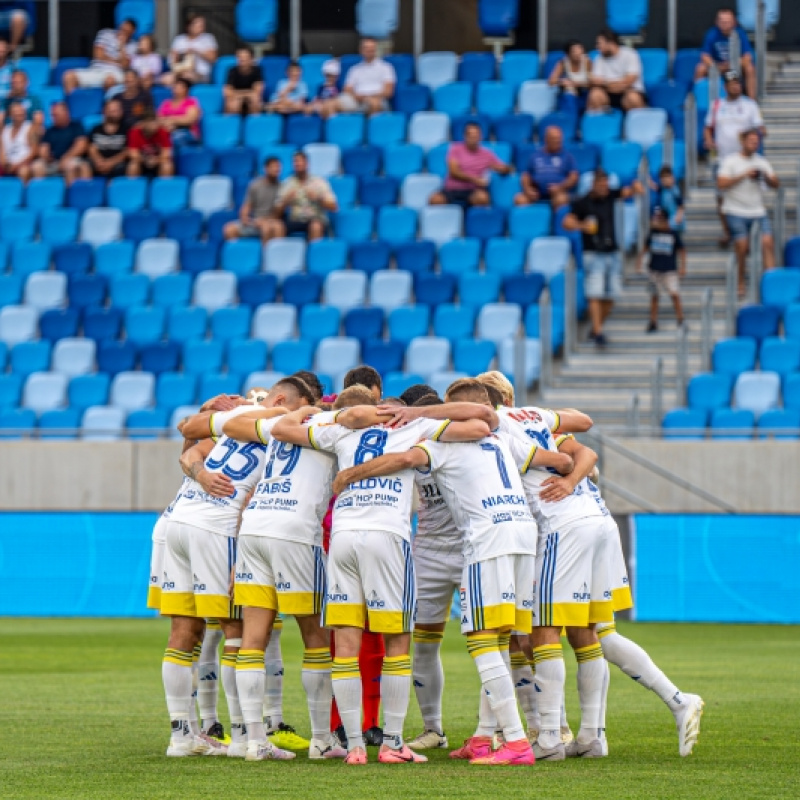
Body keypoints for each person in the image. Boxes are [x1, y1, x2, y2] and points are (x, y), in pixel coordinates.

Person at [271, 393, 494, 766]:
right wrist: (419, 413)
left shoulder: (340, 431)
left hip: (343, 535)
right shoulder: (414, 425)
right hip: (387, 536)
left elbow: (281, 429)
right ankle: (392, 743)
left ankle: (355, 745)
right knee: (397, 640)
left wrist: (321, 412)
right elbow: (481, 422)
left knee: (345, 641)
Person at [162, 380, 314, 759]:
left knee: (183, 630)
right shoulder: (280, 430)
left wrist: (201, 467)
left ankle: (182, 736)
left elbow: (188, 448)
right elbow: (254, 500)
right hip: (217, 526)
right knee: (239, 629)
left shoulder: (238, 420)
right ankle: (246, 738)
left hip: (177, 521)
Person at [213, 392, 349, 761]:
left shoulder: (279, 427)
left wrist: (295, 411)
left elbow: (228, 426)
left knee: (252, 640)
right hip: (295, 531)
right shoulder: (334, 429)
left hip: (255, 527)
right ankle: (322, 740)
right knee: (316, 636)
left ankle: (256, 742)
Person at [562, 169, 643, 345]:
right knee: (595, 293)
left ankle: (595, 328)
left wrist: (636, 187)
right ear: (594, 185)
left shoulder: (610, 196)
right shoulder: (583, 202)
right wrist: (582, 225)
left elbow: (627, 192)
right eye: (601, 185)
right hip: (593, 252)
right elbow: (567, 221)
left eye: (606, 185)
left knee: (612, 294)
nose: (605, 188)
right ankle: (598, 331)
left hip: (612, 252)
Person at [703, 70, 765, 247]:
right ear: (725, 86)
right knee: (721, 196)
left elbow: (758, 127)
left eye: (738, 83)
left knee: (747, 192)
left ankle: (748, 232)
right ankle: (727, 231)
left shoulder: (750, 105)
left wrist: (759, 134)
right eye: (732, 84)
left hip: (744, 158)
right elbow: (708, 127)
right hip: (722, 158)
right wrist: (708, 140)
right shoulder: (716, 105)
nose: (736, 86)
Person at [718, 127, 779, 296]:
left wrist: (765, 176)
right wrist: (744, 175)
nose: (754, 144)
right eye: (751, 141)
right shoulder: (730, 161)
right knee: (742, 246)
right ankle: (740, 281)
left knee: (768, 242)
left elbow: (776, 184)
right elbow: (721, 184)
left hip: (757, 210)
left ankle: (771, 284)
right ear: (743, 142)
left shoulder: (761, 161)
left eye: (756, 141)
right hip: (735, 210)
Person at [430, 122, 512, 208]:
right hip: (452, 189)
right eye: (470, 135)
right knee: (435, 200)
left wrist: (505, 169)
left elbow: (502, 167)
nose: (473, 138)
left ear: (480, 136)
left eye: (476, 135)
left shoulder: (487, 154)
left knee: (483, 198)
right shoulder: (455, 149)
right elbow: (454, 171)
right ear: (465, 136)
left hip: (473, 191)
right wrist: (474, 179)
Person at [636, 207, 687, 332]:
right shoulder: (652, 234)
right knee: (655, 296)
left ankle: (681, 320)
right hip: (654, 269)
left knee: (674, 294)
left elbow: (682, 250)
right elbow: (645, 248)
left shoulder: (672, 234)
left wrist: (683, 267)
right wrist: (639, 263)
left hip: (670, 270)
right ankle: (653, 321)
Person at [275, 151, 338, 241]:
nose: (298, 164)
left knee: (315, 226)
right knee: (278, 226)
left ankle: (314, 254)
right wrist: (286, 201)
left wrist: (318, 198)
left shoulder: (319, 182)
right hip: (294, 219)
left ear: (307, 163)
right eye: (295, 162)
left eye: (300, 161)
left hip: (314, 218)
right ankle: (281, 254)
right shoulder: (287, 183)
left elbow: (333, 206)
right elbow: (277, 212)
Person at [63, 19, 137, 93]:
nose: (122, 32)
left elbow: (124, 65)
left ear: (131, 33)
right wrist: (117, 61)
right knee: (69, 76)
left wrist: (122, 46)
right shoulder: (105, 33)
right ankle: (72, 103)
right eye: (122, 29)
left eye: (126, 32)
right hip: (95, 70)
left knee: (109, 80)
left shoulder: (133, 45)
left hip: (115, 73)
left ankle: (108, 104)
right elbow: (98, 54)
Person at [697, 7, 756, 98]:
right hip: (717, 68)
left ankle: (753, 103)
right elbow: (705, 56)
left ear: (734, 22)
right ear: (716, 22)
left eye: (727, 21)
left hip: (736, 68)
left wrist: (732, 64)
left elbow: (747, 57)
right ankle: (698, 100)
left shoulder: (740, 34)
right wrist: (716, 66)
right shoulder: (711, 34)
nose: (724, 24)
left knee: (750, 68)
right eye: (722, 21)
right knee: (700, 69)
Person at [515, 125, 578, 209]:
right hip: (537, 193)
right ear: (546, 139)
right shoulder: (535, 156)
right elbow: (526, 175)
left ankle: (555, 222)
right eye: (554, 139)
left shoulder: (567, 156)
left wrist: (560, 187)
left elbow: (574, 177)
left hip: (558, 192)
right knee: (519, 199)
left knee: (561, 200)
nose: (557, 142)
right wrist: (528, 189)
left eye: (559, 139)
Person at [223, 156, 285, 242]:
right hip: (255, 221)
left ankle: (265, 255)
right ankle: (238, 253)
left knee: (267, 228)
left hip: (271, 221)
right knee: (229, 229)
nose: (276, 170)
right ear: (266, 169)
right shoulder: (255, 185)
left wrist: (264, 220)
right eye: (273, 167)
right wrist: (244, 218)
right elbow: (247, 205)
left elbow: (278, 213)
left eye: (278, 167)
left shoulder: (282, 187)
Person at [588, 28, 646, 112]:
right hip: (608, 95)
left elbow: (628, 82)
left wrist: (605, 83)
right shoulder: (598, 59)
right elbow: (595, 82)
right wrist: (615, 84)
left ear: (610, 43)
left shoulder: (631, 54)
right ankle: (603, 121)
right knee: (595, 94)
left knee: (632, 98)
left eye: (599, 44)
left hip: (628, 92)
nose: (597, 47)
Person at [31, 101, 89, 183]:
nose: (53, 118)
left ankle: (71, 194)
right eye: (52, 115)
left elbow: (81, 145)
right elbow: (43, 148)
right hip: (53, 162)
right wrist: (46, 156)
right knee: (37, 166)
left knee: (70, 166)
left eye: (56, 115)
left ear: (66, 113)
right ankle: (43, 193)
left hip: (72, 159)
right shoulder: (50, 131)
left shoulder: (76, 126)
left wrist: (66, 158)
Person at [337, 37, 395, 115]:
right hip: (356, 100)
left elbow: (388, 92)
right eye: (366, 48)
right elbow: (347, 89)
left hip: (376, 99)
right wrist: (356, 96)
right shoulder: (354, 69)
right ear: (361, 50)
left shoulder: (386, 67)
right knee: (330, 105)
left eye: (372, 48)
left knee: (374, 104)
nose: (369, 50)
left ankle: (371, 126)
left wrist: (368, 97)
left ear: (376, 50)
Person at [166, 14, 218, 86]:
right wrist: (179, 56)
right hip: (179, 71)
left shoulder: (208, 38)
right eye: (198, 25)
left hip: (201, 74)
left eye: (202, 25)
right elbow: (171, 61)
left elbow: (213, 58)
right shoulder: (179, 40)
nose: (201, 27)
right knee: (166, 79)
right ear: (189, 26)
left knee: (186, 77)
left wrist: (196, 51)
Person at [87, 98, 130, 178]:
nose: (114, 113)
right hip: (98, 163)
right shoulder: (96, 129)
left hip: (118, 164)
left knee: (124, 167)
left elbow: (127, 151)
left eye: (117, 110)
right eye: (112, 111)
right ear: (105, 112)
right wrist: (98, 161)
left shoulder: (127, 129)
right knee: (85, 165)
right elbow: (92, 148)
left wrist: (110, 163)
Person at [548, 40, 592, 115]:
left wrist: (577, 84)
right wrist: (562, 81)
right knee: (569, 95)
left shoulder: (587, 62)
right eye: (574, 51)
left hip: (584, 92)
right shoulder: (563, 62)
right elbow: (551, 81)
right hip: (570, 93)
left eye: (580, 50)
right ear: (568, 54)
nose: (578, 54)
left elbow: (592, 83)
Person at [127, 111, 174, 177]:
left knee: (167, 165)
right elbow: (133, 154)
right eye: (151, 122)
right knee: (133, 165)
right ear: (143, 123)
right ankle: (133, 186)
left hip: (159, 161)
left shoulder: (163, 131)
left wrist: (156, 160)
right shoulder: (134, 132)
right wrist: (145, 160)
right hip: (142, 162)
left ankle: (163, 186)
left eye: (155, 122)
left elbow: (166, 154)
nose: (154, 125)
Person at [157, 77, 201, 146]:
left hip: (185, 131)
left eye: (180, 88)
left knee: (176, 138)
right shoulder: (166, 103)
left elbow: (190, 119)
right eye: (175, 87)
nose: (176, 90)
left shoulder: (191, 102)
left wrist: (172, 121)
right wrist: (168, 125)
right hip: (167, 129)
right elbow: (159, 118)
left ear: (186, 89)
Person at [224, 46, 265, 116]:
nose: (242, 60)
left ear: (251, 59)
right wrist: (244, 95)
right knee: (233, 104)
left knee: (255, 100)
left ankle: (254, 123)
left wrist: (240, 94)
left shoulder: (257, 70)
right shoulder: (232, 71)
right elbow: (227, 92)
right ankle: (233, 124)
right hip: (237, 98)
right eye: (240, 57)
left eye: (245, 58)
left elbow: (258, 90)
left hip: (249, 98)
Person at [0, 99, 35, 180]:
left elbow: (33, 152)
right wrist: (5, 164)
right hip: (7, 164)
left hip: (23, 163)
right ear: (11, 115)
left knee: (24, 171)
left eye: (21, 111)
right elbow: (1, 151)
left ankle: (23, 192)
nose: (19, 113)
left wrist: (17, 165)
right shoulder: (6, 130)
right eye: (16, 112)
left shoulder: (30, 128)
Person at [649, 165, 685, 233]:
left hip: (675, 218)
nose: (665, 180)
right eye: (663, 178)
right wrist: (649, 181)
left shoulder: (674, 189)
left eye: (667, 177)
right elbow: (656, 187)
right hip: (668, 218)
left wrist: (679, 216)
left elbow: (681, 204)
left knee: (660, 226)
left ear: (672, 178)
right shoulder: (663, 189)